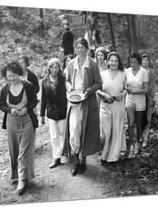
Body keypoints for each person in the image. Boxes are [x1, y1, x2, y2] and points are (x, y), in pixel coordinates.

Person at [63, 38, 102, 176]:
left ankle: (83, 160)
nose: (80, 50)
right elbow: (67, 80)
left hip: (87, 103)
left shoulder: (92, 64)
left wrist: (88, 91)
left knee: (85, 131)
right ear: (75, 49)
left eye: (82, 47)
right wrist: (69, 88)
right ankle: (75, 161)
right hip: (73, 102)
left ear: (87, 49)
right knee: (73, 130)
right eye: (78, 48)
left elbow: (98, 83)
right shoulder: (71, 64)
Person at [0, 61, 38, 195]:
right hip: (11, 123)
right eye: (9, 76)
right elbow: (1, 105)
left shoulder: (28, 86)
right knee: (14, 151)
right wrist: (10, 110)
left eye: (14, 76)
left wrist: (27, 108)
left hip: (27, 122)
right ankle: (17, 176)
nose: (11, 79)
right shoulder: (5, 89)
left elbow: (34, 100)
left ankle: (22, 179)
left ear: (19, 74)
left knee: (24, 152)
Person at [96, 52, 127, 163]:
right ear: (108, 62)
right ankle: (103, 154)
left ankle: (113, 157)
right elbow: (97, 89)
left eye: (116, 61)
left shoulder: (123, 74)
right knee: (105, 133)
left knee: (116, 131)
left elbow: (125, 89)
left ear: (118, 62)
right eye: (112, 60)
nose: (113, 63)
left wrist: (122, 95)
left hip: (118, 106)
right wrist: (104, 95)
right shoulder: (102, 74)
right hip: (105, 106)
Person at [40, 58, 68, 168]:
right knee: (54, 136)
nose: (54, 69)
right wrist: (42, 114)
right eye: (52, 67)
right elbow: (43, 98)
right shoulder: (45, 80)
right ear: (49, 68)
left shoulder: (64, 79)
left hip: (62, 111)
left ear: (59, 68)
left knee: (62, 133)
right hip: (51, 112)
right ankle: (56, 157)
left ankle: (63, 153)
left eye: (56, 67)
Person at [125, 53, 149, 158]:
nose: (132, 64)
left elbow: (146, 89)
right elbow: (125, 86)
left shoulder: (144, 72)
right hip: (129, 99)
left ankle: (137, 146)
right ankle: (130, 147)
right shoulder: (127, 71)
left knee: (139, 124)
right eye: (131, 62)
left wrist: (135, 91)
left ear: (139, 62)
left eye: (135, 62)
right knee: (130, 124)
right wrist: (127, 90)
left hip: (140, 100)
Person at [141, 54, 156, 148]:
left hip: (148, 98)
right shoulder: (139, 71)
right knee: (139, 118)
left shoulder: (151, 72)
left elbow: (153, 86)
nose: (145, 62)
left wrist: (151, 98)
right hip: (139, 98)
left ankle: (145, 139)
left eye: (146, 60)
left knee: (148, 119)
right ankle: (139, 138)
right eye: (143, 60)